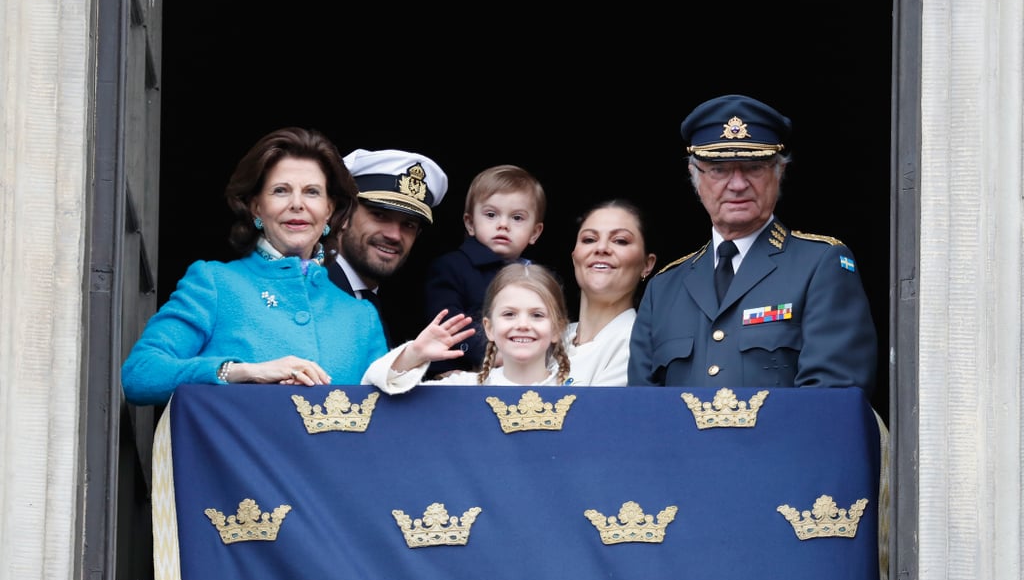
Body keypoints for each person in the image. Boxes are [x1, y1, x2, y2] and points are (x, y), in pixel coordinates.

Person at [628, 94, 878, 395]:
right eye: (719, 170)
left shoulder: (820, 264)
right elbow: (643, 411)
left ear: (779, 172)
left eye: (753, 167)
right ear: (695, 176)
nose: (737, 184)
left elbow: (830, 403)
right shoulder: (664, 287)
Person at [121, 127, 388, 406]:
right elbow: (140, 374)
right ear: (256, 208)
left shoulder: (361, 316)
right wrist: (243, 372)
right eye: (281, 191)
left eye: (312, 192)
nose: (297, 204)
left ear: (329, 210)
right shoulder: (215, 283)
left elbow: (387, 422)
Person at [363, 263, 570, 393]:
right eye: (509, 314)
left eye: (537, 315)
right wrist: (414, 354)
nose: (523, 325)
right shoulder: (462, 388)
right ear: (488, 327)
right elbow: (376, 390)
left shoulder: (581, 390)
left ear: (557, 328)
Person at [422, 164, 546, 377]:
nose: (503, 225)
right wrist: (489, 353)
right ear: (470, 223)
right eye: (491, 214)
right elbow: (448, 321)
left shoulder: (538, 276)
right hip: (460, 371)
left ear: (535, 232)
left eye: (517, 218)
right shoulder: (452, 267)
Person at [328, 148, 448, 347]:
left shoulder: (388, 304)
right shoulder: (307, 287)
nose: (394, 235)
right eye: (379, 215)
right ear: (343, 215)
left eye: (408, 224)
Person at [564, 199, 657, 386]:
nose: (601, 248)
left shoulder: (640, 346)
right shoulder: (545, 335)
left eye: (620, 241)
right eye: (589, 239)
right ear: (575, 257)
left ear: (647, 264)